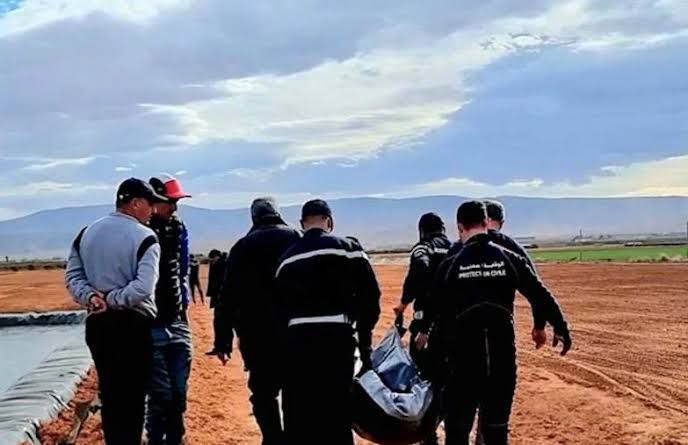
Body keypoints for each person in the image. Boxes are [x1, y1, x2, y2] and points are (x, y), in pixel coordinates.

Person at [418, 200, 572, 444]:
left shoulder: (451, 262)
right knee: (496, 430)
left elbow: (434, 305)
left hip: (463, 361)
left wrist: (424, 335)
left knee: (457, 430)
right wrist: (560, 327)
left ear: (460, 227)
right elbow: (540, 294)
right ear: (486, 223)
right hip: (502, 359)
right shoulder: (508, 257)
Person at [65, 178, 167, 445]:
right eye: (150, 203)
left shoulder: (86, 233)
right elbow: (143, 287)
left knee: (110, 394)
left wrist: (92, 297)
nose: (153, 210)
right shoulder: (146, 237)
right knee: (133, 397)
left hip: (98, 325)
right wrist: (114, 299)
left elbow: (73, 277)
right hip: (133, 324)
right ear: (135, 203)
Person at [275, 199, 381, 445]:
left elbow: (278, 311)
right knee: (337, 411)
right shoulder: (349, 249)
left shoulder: (286, 260)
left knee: (302, 412)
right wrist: (364, 341)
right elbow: (370, 298)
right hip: (337, 340)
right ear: (329, 221)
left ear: (302, 224)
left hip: (298, 344)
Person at [211, 197, 301, 445]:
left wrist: (223, 341)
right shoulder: (297, 238)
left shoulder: (242, 246)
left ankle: (273, 439)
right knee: (295, 389)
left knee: (263, 394)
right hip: (296, 331)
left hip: (257, 334)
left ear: (254, 217)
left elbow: (226, 297)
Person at [448, 200, 547, 349]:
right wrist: (539, 326)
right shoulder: (513, 249)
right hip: (501, 327)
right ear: (501, 222)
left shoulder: (457, 248)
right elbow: (537, 293)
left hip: (465, 329)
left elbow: (440, 291)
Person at [392, 212, 451, 445]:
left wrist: (404, 303)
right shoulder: (456, 248)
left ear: (422, 230)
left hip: (428, 323)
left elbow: (418, 271)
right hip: (456, 324)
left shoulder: (423, 248)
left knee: (424, 376)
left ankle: (428, 434)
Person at [145, 174, 193, 445]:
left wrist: (183, 301)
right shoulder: (138, 230)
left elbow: (182, 268)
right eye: (170, 202)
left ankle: (175, 438)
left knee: (179, 391)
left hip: (176, 319)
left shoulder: (178, 227)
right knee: (160, 394)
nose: (174, 207)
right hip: (149, 323)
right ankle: (155, 439)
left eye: (176, 202)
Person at [205, 249, 229, 356]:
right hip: (220, 300)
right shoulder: (219, 265)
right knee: (219, 324)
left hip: (223, 300)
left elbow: (222, 283)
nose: (211, 261)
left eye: (212, 259)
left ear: (217, 257)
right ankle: (221, 348)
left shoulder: (223, 265)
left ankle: (223, 348)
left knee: (222, 324)